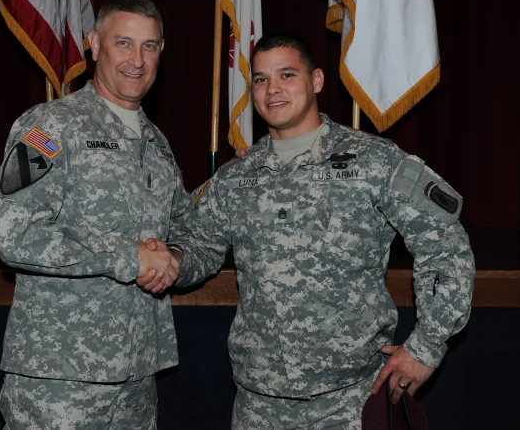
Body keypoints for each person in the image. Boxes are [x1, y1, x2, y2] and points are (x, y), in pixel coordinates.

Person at [156, 32, 476, 429]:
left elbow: (445, 244)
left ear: (317, 80)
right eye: (260, 79)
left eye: (287, 74)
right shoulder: (235, 178)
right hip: (259, 405)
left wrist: (426, 346)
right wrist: (170, 260)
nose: (272, 89)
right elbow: (201, 246)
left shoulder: (374, 161)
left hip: (351, 402)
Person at [0, 0, 187, 430]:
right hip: (60, 380)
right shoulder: (48, 127)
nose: (137, 59)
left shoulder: (156, 145)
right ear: (95, 44)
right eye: (123, 43)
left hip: (137, 373)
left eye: (149, 46)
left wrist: (173, 257)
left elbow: (183, 229)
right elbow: (15, 236)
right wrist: (129, 256)